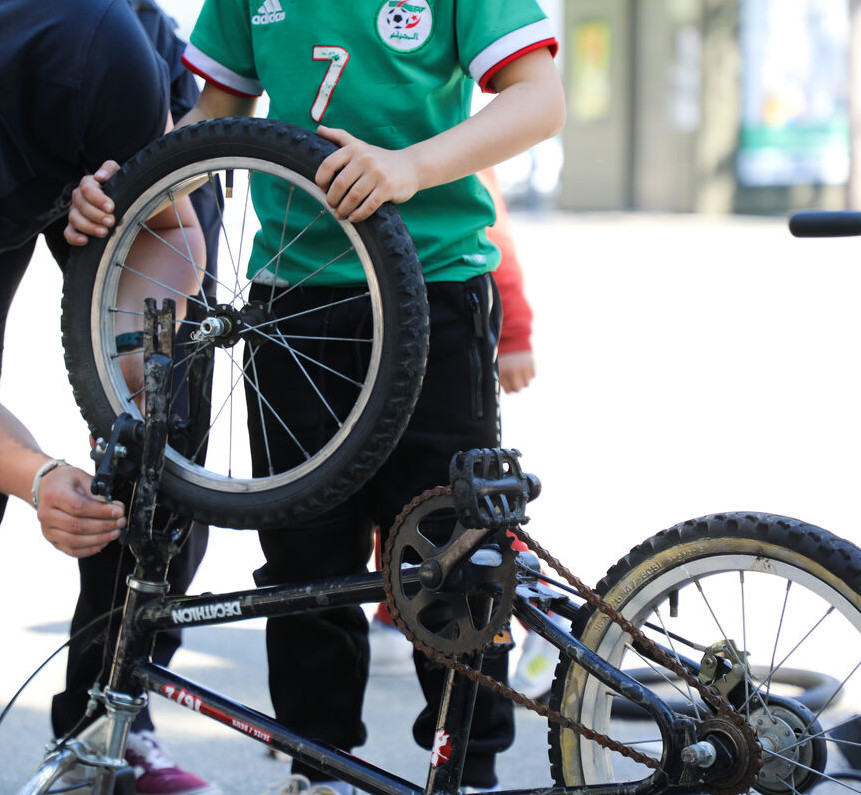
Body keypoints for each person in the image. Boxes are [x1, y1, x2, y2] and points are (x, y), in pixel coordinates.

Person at [68, 2, 565, 792]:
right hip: (291, 299)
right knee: (303, 554)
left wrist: (411, 166)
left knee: (450, 549)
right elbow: (209, 119)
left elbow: (539, 99)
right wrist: (127, 186)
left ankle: (465, 769)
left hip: (433, 285)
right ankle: (320, 764)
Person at [0, 2, 218, 792]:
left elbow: (175, 231)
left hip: (111, 123)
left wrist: (135, 374)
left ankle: (110, 721)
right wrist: (34, 475)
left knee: (167, 439)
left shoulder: (99, 51)